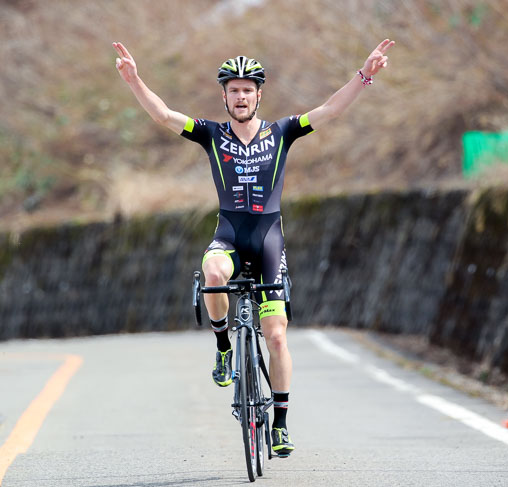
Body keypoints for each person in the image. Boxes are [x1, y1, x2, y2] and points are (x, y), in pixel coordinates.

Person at [112, 39, 394, 456]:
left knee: (276, 338)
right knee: (212, 274)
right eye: (233, 89)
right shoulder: (211, 134)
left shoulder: (281, 132)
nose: (240, 96)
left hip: (268, 242)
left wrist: (364, 74)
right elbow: (164, 115)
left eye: (247, 89)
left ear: (258, 94)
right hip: (228, 235)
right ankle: (224, 348)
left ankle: (279, 423)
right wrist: (135, 81)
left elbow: (330, 109)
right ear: (224, 96)